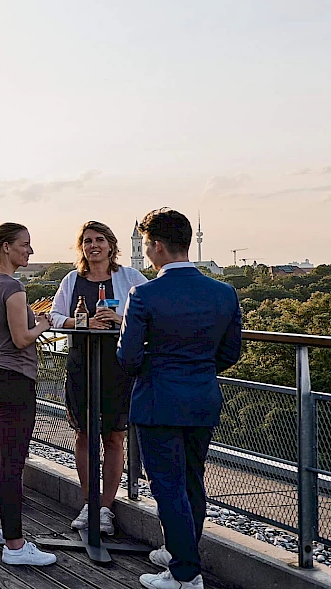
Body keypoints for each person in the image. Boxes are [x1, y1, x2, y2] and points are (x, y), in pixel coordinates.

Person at [119, 209, 241, 589]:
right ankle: (180, 553)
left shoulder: (144, 293)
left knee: (167, 486)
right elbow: (231, 352)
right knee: (192, 482)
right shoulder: (224, 292)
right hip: (202, 396)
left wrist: (154, 369)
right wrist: (198, 371)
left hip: (157, 399)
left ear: (154, 245)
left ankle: (185, 574)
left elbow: (128, 356)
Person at [49, 221, 149, 536]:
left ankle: (105, 507)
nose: (94, 246)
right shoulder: (72, 280)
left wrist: (122, 320)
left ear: (111, 245)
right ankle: (89, 503)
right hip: (82, 366)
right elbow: (53, 316)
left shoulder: (130, 278)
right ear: (82, 247)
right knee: (83, 434)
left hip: (117, 369)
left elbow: (150, 315)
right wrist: (82, 323)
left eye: (99, 240)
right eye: (88, 241)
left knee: (115, 437)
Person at [0, 223, 57, 567]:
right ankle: (16, 545)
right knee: (12, 463)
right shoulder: (13, 286)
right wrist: (45, 324)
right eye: (25, 244)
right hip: (13, 379)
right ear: (6, 247)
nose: (30, 251)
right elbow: (22, 339)